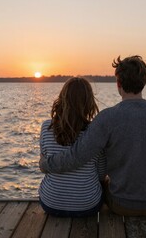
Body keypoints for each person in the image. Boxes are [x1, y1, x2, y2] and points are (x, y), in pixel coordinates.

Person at [40, 55, 146, 216]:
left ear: (118, 83)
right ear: (144, 82)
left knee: (102, 182)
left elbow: (77, 156)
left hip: (121, 205)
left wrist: (46, 164)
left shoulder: (106, 118)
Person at [38, 77, 106, 217]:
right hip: (88, 206)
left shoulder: (46, 127)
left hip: (50, 204)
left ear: (62, 98)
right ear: (89, 102)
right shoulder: (94, 132)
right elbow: (100, 173)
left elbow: (44, 166)